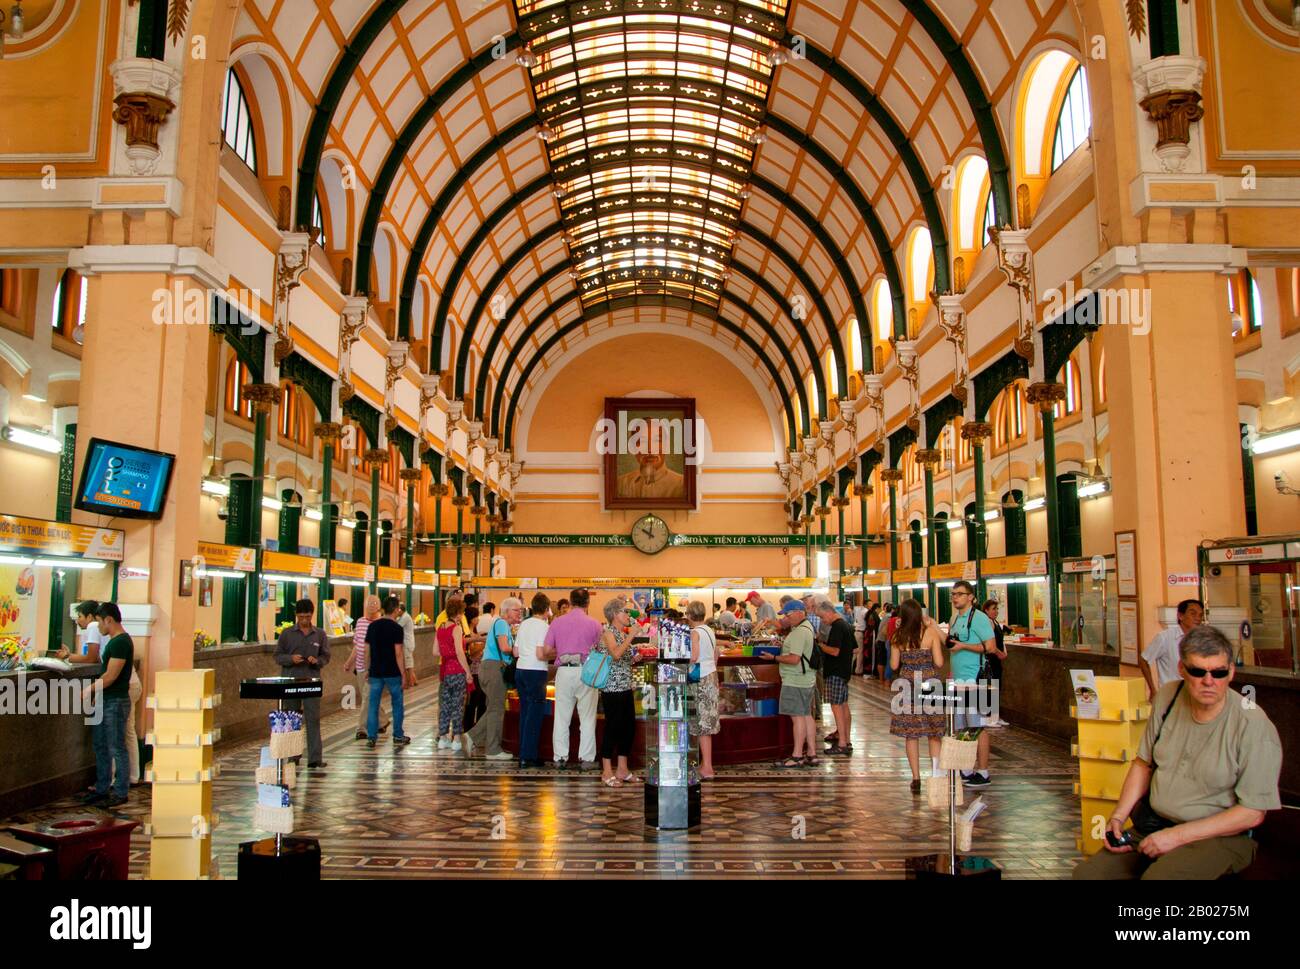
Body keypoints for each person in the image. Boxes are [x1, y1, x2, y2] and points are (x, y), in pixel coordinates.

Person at [1073, 625, 1282, 880]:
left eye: (1219, 672)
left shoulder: (1253, 725)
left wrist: (1176, 837)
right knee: (1088, 876)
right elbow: (1143, 763)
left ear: (1231, 672)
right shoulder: (1168, 698)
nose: (1209, 681)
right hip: (1155, 824)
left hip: (1218, 836)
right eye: (1198, 671)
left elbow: (1253, 813)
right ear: (1181, 669)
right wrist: (1119, 816)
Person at [888, 598, 947, 794]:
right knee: (934, 731)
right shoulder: (930, 632)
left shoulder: (898, 636)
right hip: (929, 683)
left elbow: (894, 666)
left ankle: (915, 778)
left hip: (907, 684)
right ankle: (937, 773)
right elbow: (939, 662)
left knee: (911, 734)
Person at [79, 602, 133, 808]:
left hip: (116, 702)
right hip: (106, 699)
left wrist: (89, 689)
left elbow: (111, 676)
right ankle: (101, 788)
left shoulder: (120, 643)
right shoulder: (113, 641)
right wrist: (98, 693)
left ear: (108, 620)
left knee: (116, 747)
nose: (98, 626)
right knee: (100, 745)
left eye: (99, 622)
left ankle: (120, 791)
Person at [542, 586, 603, 770]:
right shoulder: (594, 624)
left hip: (564, 671)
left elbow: (546, 651)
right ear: (588, 603)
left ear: (569, 602)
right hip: (586, 672)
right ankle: (586, 759)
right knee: (587, 718)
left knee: (561, 717)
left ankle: (560, 758)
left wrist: (562, 650)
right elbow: (600, 651)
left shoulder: (557, 622)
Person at [946, 579, 998, 787]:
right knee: (961, 726)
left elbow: (991, 647)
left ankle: (983, 771)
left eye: (959, 594)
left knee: (978, 726)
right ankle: (966, 768)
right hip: (959, 681)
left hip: (977, 680)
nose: (955, 597)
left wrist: (963, 646)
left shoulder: (979, 619)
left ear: (970, 597)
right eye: (953, 594)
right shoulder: (954, 618)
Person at [273, 598, 331, 768]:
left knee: (313, 718)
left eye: (307, 617)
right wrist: (290, 659)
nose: (304, 620)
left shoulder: (319, 634)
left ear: (312, 615)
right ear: (296, 616)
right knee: (292, 718)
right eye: (301, 617)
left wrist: (317, 661)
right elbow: (277, 656)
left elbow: (326, 656)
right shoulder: (287, 634)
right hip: (291, 681)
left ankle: (315, 758)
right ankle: (293, 755)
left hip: (311, 681)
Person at [762, 599, 817, 768]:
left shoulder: (800, 631)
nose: (786, 618)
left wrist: (775, 658)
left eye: (788, 614)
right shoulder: (806, 628)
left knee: (797, 717)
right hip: (806, 678)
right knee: (806, 715)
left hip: (795, 679)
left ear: (799, 613)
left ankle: (797, 755)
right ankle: (812, 753)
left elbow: (794, 658)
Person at [468, 596, 522, 760]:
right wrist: (518, 650)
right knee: (496, 709)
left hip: (491, 667)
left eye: (520, 610)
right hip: (494, 668)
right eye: (516, 610)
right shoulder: (501, 624)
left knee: (494, 708)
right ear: (505, 611)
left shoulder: (502, 624)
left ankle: (472, 738)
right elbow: (504, 647)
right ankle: (491, 749)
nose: (519, 613)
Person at [596, 596, 642, 785]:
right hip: (611, 689)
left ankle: (622, 768)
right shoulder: (608, 633)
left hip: (625, 687)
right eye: (624, 611)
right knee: (612, 728)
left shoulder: (622, 634)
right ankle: (607, 771)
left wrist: (635, 658)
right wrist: (632, 635)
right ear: (615, 614)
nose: (628, 615)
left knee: (628, 728)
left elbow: (623, 658)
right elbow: (615, 654)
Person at [364, 596, 410, 749]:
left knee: (373, 705)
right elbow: (398, 653)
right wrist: (403, 673)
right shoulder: (397, 629)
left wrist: (366, 668)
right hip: (392, 673)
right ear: (396, 610)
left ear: (383, 609)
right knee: (397, 704)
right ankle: (397, 735)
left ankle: (371, 737)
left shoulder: (373, 627)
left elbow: (367, 650)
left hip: (375, 672)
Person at [514, 592, 552, 768]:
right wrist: (556, 654)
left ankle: (522, 752)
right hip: (536, 672)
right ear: (545, 609)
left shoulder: (524, 624)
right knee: (535, 715)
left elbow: (515, 652)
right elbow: (540, 654)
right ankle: (528, 756)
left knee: (525, 712)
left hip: (520, 670)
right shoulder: (543, 626)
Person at [815, 596, 856, 755]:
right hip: (844, 671)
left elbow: (835, 650)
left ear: (829, 612)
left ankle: (843, 743)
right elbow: (855, 648)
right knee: (844, 705)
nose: (823, 621)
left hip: (836, 671)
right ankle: (846, 738)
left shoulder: (838, 626)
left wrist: (821, 645)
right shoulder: (846, 625)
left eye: (822, 617)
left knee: (836, 706)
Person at [345, 595, 388, 740]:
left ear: (379, 606)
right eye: (369, 603)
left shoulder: (382, 624)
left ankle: (361, 728)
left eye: (375, 603)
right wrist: (349, 662)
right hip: (360, 667)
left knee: (367, 697)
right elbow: (357, 645)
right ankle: (382, 721)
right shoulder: (360, 622)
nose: (371, 605)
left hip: (375, 668)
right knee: (369, 697)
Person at [1140, 599, 1204, 696]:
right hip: (1171, 695)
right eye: (1193, 614)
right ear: (1180, 616)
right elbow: (1143, 660)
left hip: (1195, 694)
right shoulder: (1165, 637)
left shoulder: (1202, 639)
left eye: (1200, 615)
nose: (1197, 618)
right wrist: (1152, 689)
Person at [687, 599, 721, 778]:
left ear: (690, 615)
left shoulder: (694, 632)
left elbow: (693, 657)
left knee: (702, 723)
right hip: (711, 676)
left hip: (699, 677)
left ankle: (707, 767)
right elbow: (716, 654)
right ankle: (705, 763)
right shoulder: (709, 630)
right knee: (708, 721)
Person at [436, 597, 473, 754]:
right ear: (458, 613)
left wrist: (446, 653)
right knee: (457, 705)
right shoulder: (456, 629)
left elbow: (435, 651)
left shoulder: (441, 628)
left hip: (444, 671)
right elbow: (459, 652)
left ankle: (443, 737)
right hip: (457, 671)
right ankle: (456, 738)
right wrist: (468, 672)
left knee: (445, 705)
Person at [982, 599, 1011, 727]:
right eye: (993, 609)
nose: (996, 611)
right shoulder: (987, 623)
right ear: (986, 610)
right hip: (991, 660)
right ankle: (989, 717)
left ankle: (995, 716)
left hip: (997, 660)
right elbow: (989, 644)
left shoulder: (995, 622)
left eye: (997, 609)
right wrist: (1000, 653)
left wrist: (1003, 652)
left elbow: (1000, 640)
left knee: (996, 687)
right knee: (991, 688)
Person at [616, 451, 685, 499]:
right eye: (643, 442)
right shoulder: (619, 483)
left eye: (656, 441)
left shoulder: (683, 484)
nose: (650, 450)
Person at [396, 601, 417, 688]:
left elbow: (396, 626)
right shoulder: (404, 617)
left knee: (408, 665)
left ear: (401, 610)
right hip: (407, 643)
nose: (396, 612)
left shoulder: (405, 617)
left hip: (407, 644)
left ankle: (411, 682)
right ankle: (414, 681)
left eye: (397, 610)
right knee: (408, 663)